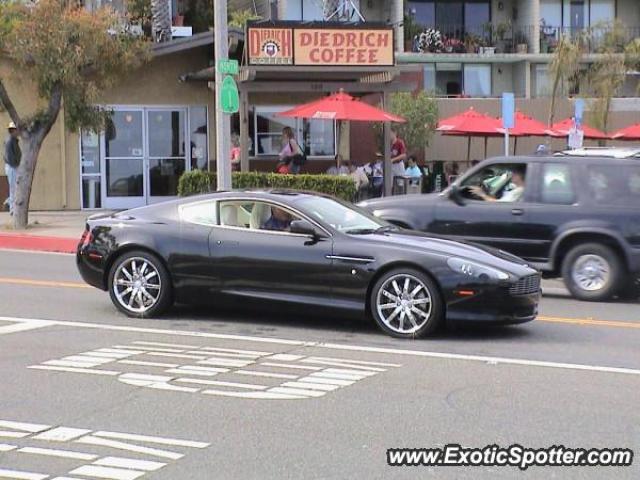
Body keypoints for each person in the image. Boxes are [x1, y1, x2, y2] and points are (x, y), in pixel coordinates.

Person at [3, 121, 21, 215]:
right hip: (12, 167)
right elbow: (9, 157)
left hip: (14, 166)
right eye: (17, 130)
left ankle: (10, 202)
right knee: (14, 187)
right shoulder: (10, 141)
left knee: (16, 187)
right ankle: (12, 208)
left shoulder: (14, 140)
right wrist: (16, 165)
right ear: (13, 130)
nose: (19, 132)